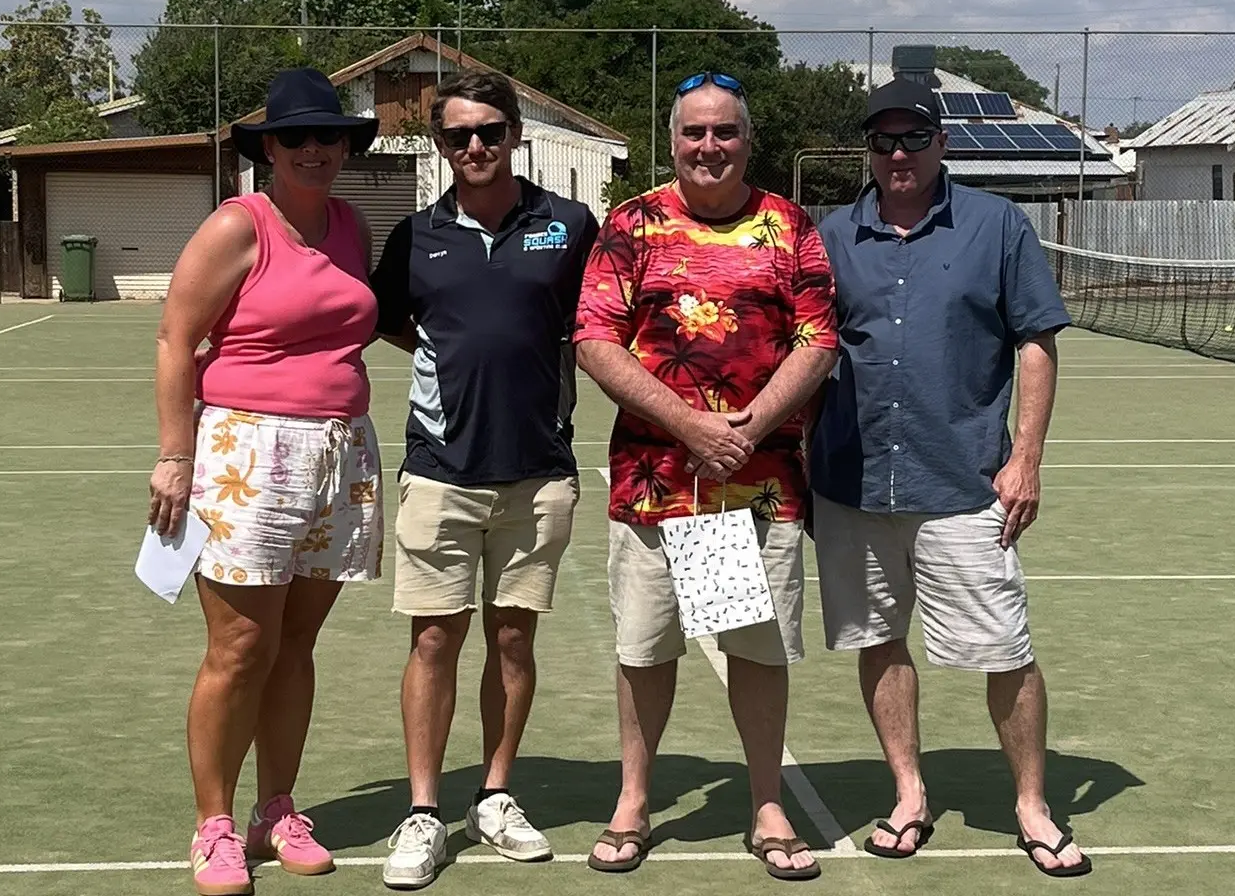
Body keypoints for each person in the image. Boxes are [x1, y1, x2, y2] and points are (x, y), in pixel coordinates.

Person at [807, 78, 1090, 878]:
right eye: (884, 141)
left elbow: (1037, 341)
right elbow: (805, 351)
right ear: (868, 149)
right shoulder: (830, 235)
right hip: (851, 486)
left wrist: (1026, 456)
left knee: (1005, 650)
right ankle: (908, 794)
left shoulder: (997, 226)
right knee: (877, 641)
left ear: (943, 143)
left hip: (965, 483)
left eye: (914, 139)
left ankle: (1032, 805)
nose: (898, 154)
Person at [574, 72, 838, 881]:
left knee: (753, 650)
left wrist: (748, 429)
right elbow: (594, 338)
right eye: (695, 133)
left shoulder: (790, 227)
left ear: (748, 141)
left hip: (754, 488)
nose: (709, 147)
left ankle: (765, 803)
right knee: (647, 650)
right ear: (674, 140)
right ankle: (634, 801)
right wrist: (691, 426)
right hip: (658, 484)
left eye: (725, 132)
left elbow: (819, 338)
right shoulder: (633, 224)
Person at [148, 67, 385, 896]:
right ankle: (214, 825)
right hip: (249, 453)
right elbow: (178, 339)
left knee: (295, 643)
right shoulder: (237, 226)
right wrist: (176, 455)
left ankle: (276, 808)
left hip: (342, 453)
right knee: (240, 647)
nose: (315, 150)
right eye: (296, 138)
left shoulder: (351, 226)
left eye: (329, 136)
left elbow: (369, 324)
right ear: (269, 149)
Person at [369, 69, 598, 890]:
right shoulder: (416, 236)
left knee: (513, 637)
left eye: (489, 131)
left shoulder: (569, 225)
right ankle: (424, 811)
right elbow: (390, 320)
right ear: (439, 144)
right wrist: (451, 366)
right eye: (457, 135)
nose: (474, 147)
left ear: (516, 135)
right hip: (439, 471)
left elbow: (599, 328)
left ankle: (494, 795)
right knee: (433, 638)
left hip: (538, 473)